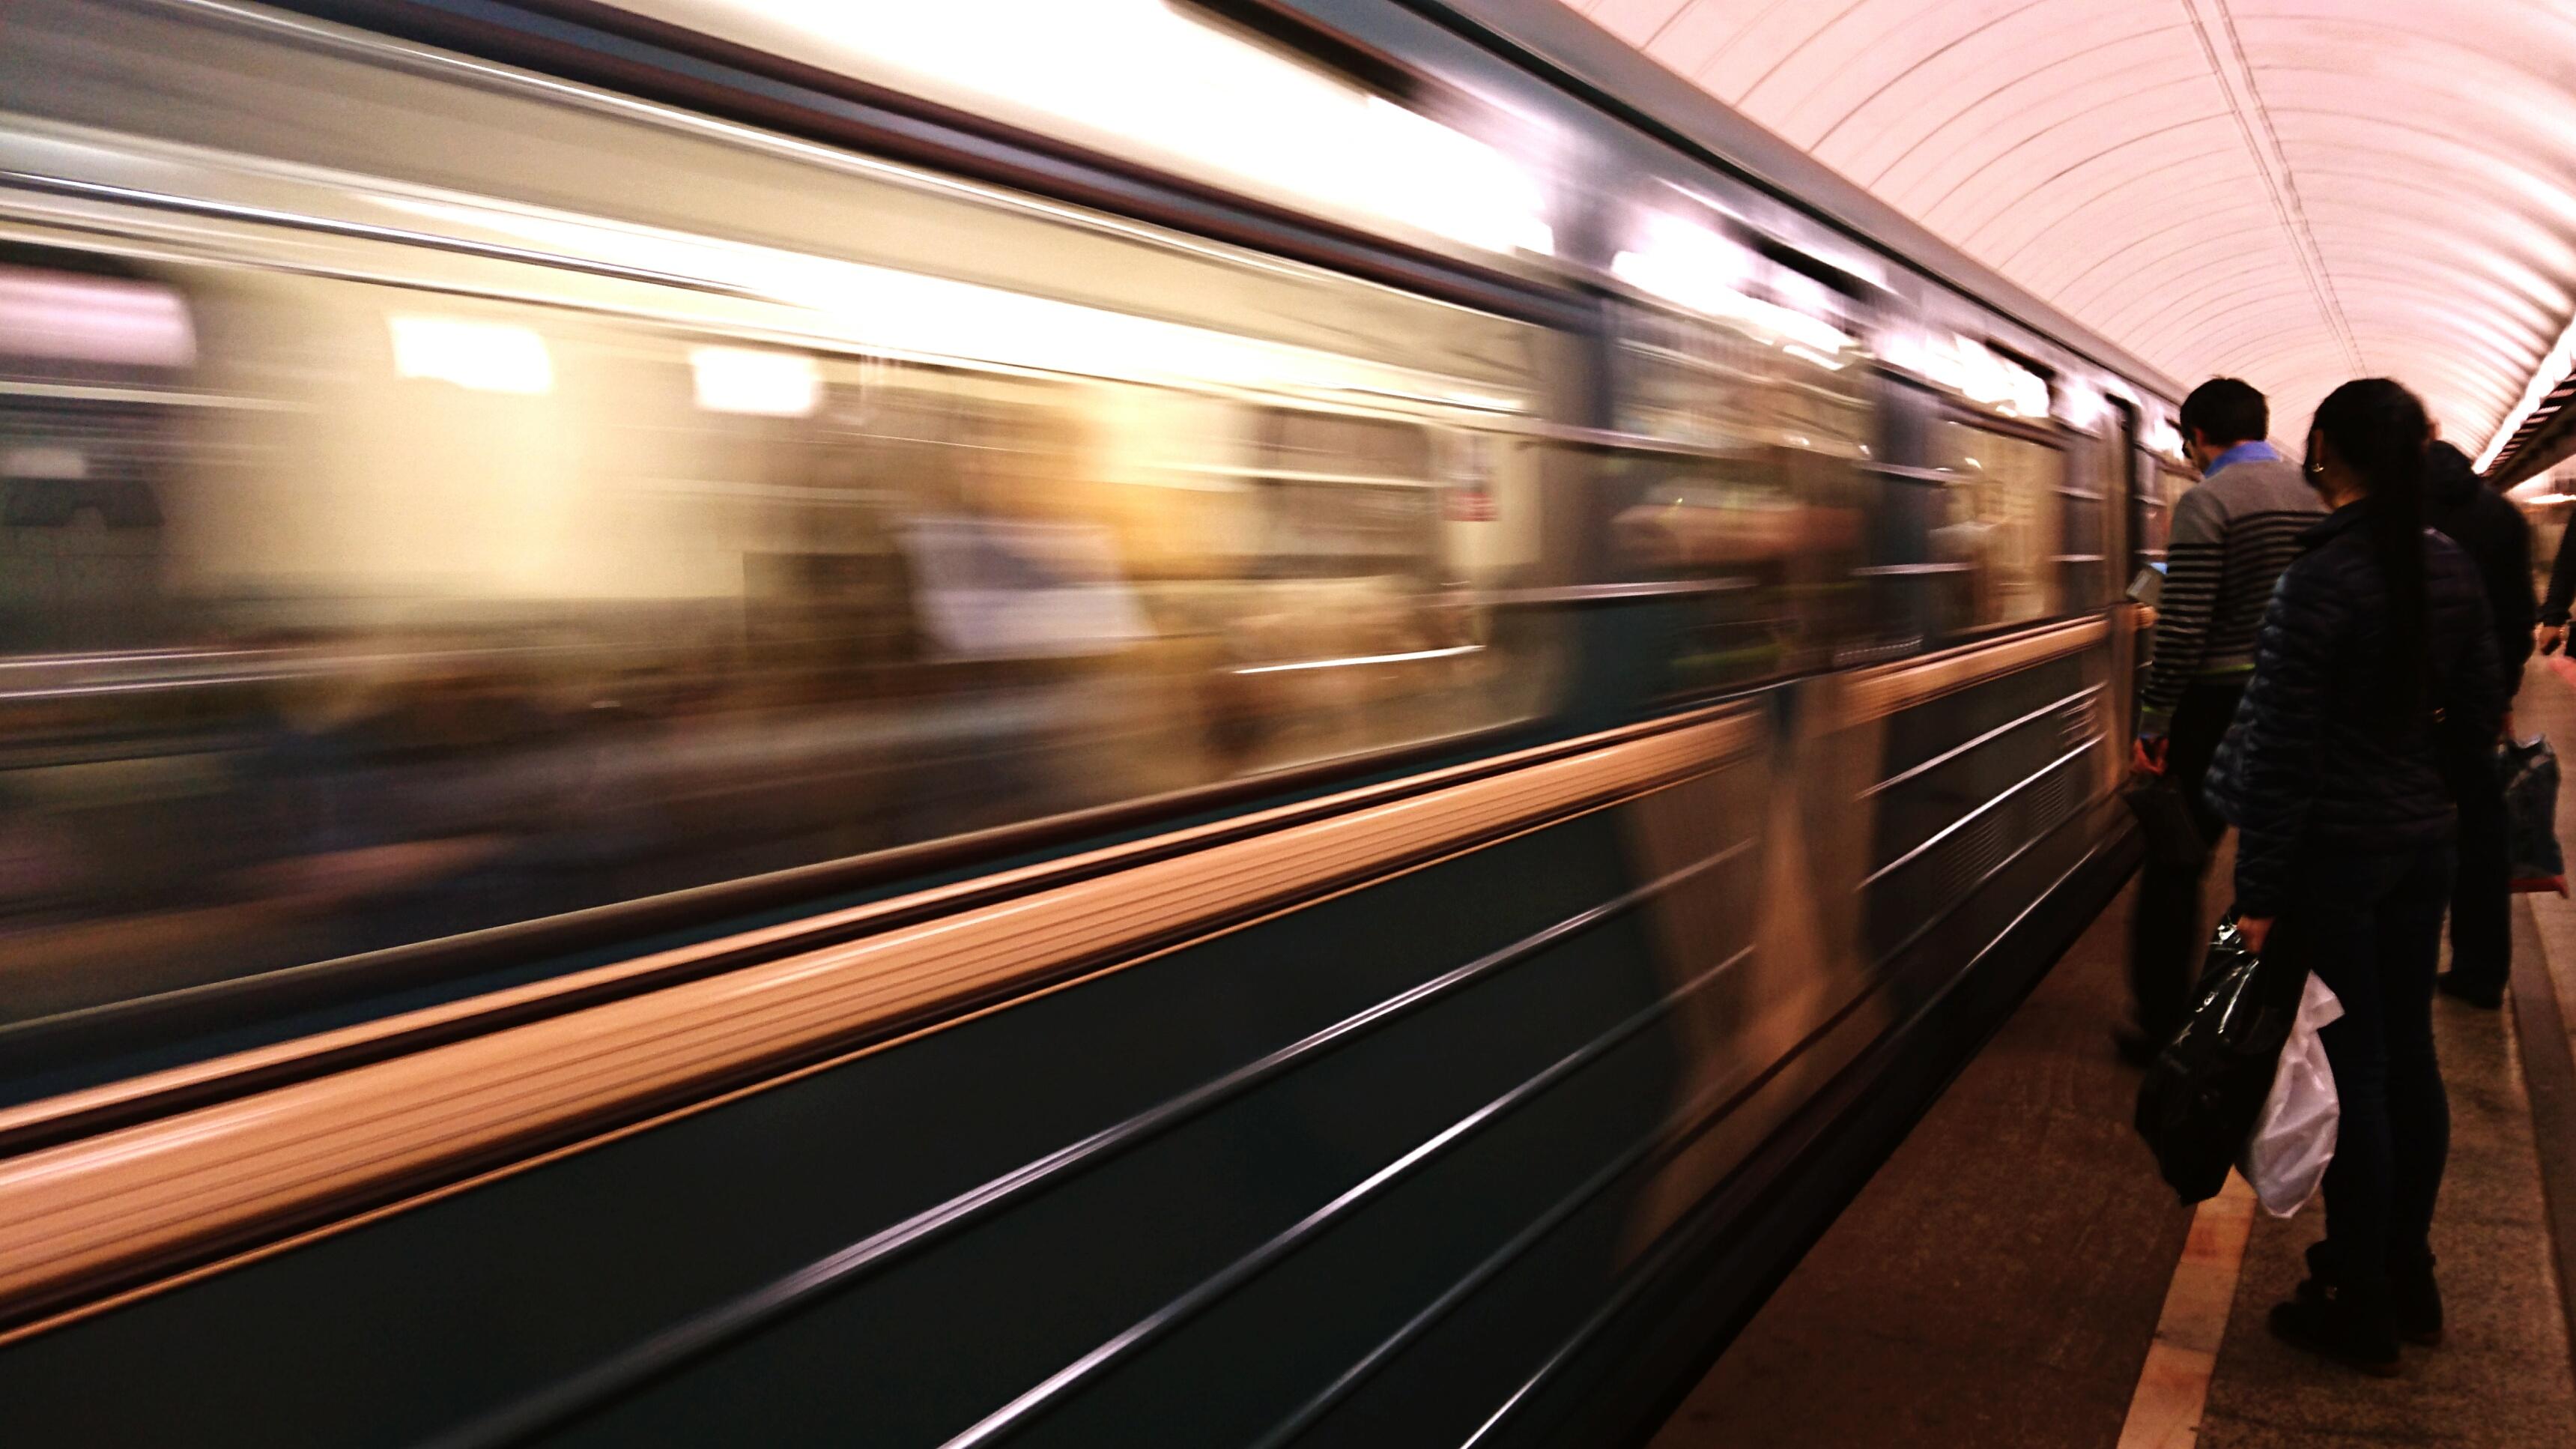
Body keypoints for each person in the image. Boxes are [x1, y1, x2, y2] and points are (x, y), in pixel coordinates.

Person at [2206, 378, 2506, 1376]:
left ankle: (2357, 1296)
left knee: (2359, 1070)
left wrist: (2254, 894)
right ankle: (2406, 1269)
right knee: (2407, 1056)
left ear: (2323, 448)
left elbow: (2283, 753)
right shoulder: (2448, 568)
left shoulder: (2320, 579)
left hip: (2337, 857)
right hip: (2419, 846)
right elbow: (2474, 729)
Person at [2120, 378, 2326, 1063]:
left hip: (2214, 705)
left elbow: (2182, 629)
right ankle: (2265, 1020)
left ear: (2198, 436)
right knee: (2281, 868)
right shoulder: (2313, 496)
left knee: (2176, 863)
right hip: (2296, 701)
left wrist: (2153, 721)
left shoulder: (2208, 501)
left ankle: (2163, 1026)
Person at [2422, 438, 2535, 1008]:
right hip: (2476, 702)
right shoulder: (2500, 515)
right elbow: (2519, 619)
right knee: (2482, 833)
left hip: (2406, 706)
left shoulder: (2397, 514)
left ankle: (2399, 960)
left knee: (2401, 825)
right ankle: (2480, 971)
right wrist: (2500, 694)